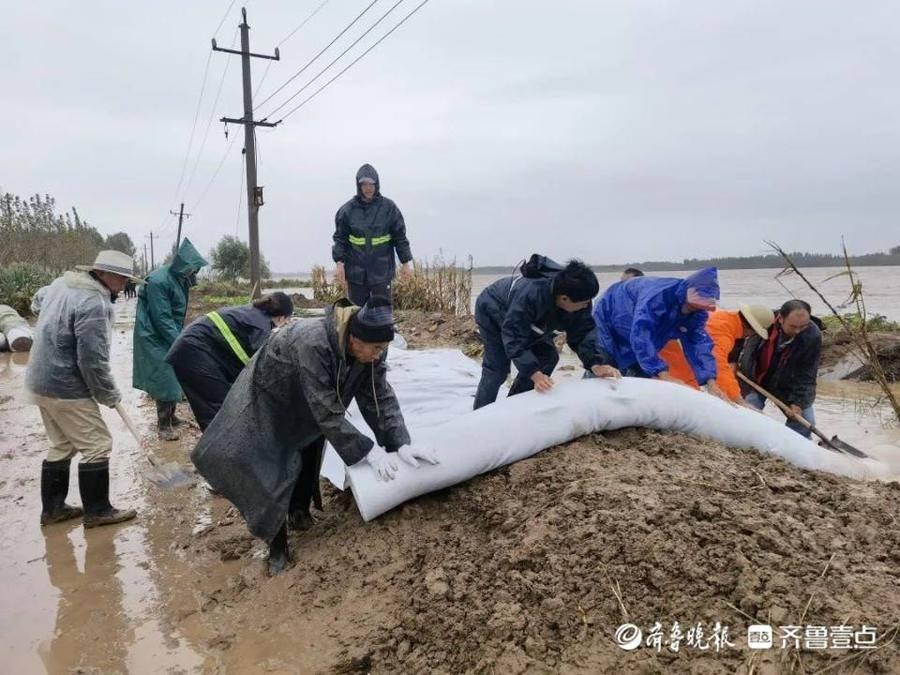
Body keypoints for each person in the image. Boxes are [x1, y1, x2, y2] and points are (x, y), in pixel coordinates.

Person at [191, 296, 438, 575]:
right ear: (355, 339)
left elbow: (378, 395)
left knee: (311, 448)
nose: (380, 354)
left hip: (311, 399)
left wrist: (400, 443)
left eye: (384, 348)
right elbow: (326, 410)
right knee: (274, 469)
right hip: (274, 397)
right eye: (377, 348)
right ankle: (277, 547)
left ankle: (299, 512)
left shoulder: (371, 346)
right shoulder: (313, 342)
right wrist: (369, 451)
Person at [25, 250, 140, 528]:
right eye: (121, 278)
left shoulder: (61, 284)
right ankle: (98, 511)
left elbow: (36, 303)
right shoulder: (94, 303)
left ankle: (53, 510)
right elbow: (92, 359)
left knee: (62, 444)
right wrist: (107, 394)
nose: (124, 284)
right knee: (97, 445)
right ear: (102, 274)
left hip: (38, 380)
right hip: (65, 385)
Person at [473, 258, 620, 410]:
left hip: (532, 322)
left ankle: (517, 405)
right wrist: (535, 374)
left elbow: (583, 333)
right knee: (497, 369)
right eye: (583, 303)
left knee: (548, 357)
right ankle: (480, 413)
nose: (586, 306)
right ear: (564, 298)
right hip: (493, 308)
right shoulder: (531, 295)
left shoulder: (579, 299)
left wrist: (595, 364)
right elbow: (514, 337)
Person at [593, 267, 730, 401]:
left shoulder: (697, 313)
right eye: (693, 305)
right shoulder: (659, 296)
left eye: (700, 306)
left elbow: (699, 343)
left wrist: (710, 382)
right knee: (604, 363)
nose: (694, 309)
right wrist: (663, 374)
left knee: (642, 371)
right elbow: (642, 333)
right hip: (609, 313)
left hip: (636, 330)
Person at [165, 292, 294, 430]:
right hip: (193, 353)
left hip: (191, 349)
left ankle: (218, 444)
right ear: (281, 318)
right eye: (287, 321)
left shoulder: (251, 312)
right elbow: (258, 364)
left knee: (218, 404)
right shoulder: (261, 326)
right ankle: (218, 448)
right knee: (219, 410)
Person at [133, 238, 208, 441]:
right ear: (184, 266)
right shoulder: (159, 281)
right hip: (153, 334)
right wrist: (180, 341)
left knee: (174, 373)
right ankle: (163, 425)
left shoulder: (178, 278)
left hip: (168, 331)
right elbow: (162, 318)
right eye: (193, 270)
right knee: (164, 377)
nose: (194, 274)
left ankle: (172, 416)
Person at [332, 163, 413, 306]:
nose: (368, 188)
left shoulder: (389, 208)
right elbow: (340, 239)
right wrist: (339, 263)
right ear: (359, 186)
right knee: (356, 315)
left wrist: (406, 263)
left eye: (371, 184)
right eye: (364, 184)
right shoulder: (347, 211)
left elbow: (400, 237)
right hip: (356, 274)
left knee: (382, 314)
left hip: (382, 271)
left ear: (377, 184)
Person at [738, 299, 821, 437]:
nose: (798, 331)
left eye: (803, 326)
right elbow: (738, 335)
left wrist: (798, 402)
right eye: (793, 326)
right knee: (747, 412)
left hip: (786, 384)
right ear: (780, 319)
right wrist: (733, 362)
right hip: (754, 379)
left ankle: (793, 448)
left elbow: (806, 374)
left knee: (804, 421)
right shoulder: (763, 320)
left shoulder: (812, 335)